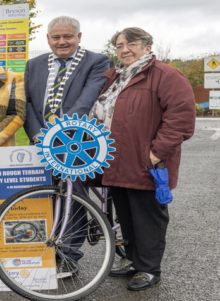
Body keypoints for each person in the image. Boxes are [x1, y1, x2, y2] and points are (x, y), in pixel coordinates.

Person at [89, 27, 195, 291]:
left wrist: (155, 152)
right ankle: (135, 262)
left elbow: (181, 119)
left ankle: (149, 269)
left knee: (148, 217)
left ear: (148, 46)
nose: (124, 50)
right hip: (114, 160)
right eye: (119, 45)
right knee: (126, 215)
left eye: (132, 44)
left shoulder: (165, 75)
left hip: (145, 161)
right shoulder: (113, 77)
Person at [23, 16, 110, 277]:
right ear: (48, 39)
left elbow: (87, 99)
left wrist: (61, 134)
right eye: (56, 37)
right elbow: (27, 103)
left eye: (68, 36)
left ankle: (69, 256)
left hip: (76, 141)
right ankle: (48, 246)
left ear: (79, 37)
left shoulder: (96, 61)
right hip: (41, 141)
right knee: (46, 196)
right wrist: (40, 134)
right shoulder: (34, 64)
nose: (62, 41)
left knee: (73, 197)